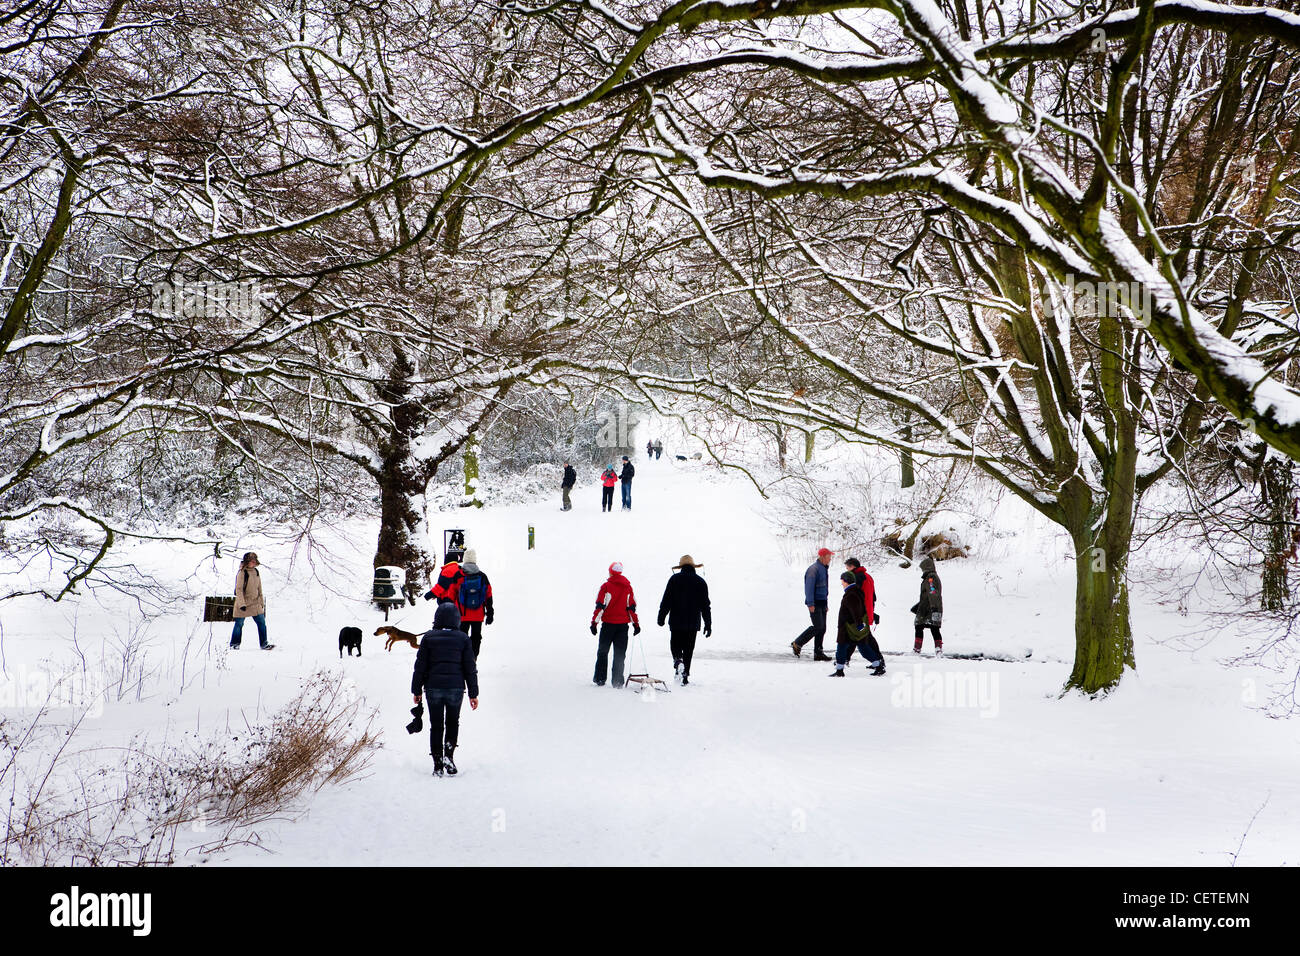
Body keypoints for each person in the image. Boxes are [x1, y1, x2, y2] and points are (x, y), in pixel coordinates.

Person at [411, 603, 479, 777]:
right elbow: (470, 668)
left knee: (436, 726)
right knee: (452, 723)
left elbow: (420, 666)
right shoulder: (463, 638)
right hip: (455, 689)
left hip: (433, 688)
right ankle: (449, 755)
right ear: (457, 619)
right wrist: (473, 693)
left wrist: (416, 689)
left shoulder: (428, 638)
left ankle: (438, 763)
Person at [657, 554, 711, 686]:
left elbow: (666, 600)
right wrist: (708, 624)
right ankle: (684, 676)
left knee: (675, 645)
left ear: (681, 567)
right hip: (693, 623)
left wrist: (661, 616)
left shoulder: (674, 579)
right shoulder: (701, 582)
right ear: (693, 567)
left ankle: (678, 661)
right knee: (689, 649)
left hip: (676, 621)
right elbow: (705, 606)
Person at [590, 561, 640, 687]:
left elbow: (600, 606)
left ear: (610, 572)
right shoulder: (628, 587)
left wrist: (594, 623)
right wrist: (636, 624)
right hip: (623, 627)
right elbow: (631, 608)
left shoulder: (606, 586)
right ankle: (617, 681)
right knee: (620, 654)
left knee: (603, 652)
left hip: (608, 625)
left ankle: (600, 679)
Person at [830, 571, 885, 677]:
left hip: (849, 627)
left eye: (842, 581)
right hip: (854, 627)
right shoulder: (856, 591)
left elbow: (855, 610)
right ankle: (878, 666)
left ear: (846, 581)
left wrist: (859, 624)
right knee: (863, 648)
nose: (841, 583)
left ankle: (839, 671)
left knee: (841, 648)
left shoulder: (851, 594)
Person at [791, 548, 834, 661]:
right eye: (829, 556)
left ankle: (818, 653)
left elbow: (824, 588)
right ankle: (797, 643)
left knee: (822, 628)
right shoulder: (813, 569)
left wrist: (826, 604)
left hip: (822, 603)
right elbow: (809, 588)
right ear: (823, 556)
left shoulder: (823, 569)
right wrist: (810, 603)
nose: (830, 558)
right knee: (818, 627)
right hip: (814, 603)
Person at [230, 552, 274, 650]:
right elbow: (239, 589)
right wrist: (242, 604)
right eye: (251, 561)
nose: (253, 563)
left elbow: (259, 588)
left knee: (262, 623)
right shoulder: (242, 573)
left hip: (255, 603)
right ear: (247, 561)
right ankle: (234, 644)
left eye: (255, 561)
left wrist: (261, 601)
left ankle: (264, 644)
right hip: (243, 604)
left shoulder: (256, 572)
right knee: (239, 624)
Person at [455, 549, 494, 658]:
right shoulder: (482, 576)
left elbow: (451, 594)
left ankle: (462, 659)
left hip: (462, 614)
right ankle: (473, 658)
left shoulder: (459, 575)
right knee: (476, 637)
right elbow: (488, 595)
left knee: (462, 637)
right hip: (478, 614)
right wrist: (490, 613)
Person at [911, 555, 943, 655]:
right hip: (927, 607)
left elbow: (933, 593)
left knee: (925, 627)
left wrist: (934, 608)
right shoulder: (930, 577)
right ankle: (938, 650)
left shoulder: (930, 578)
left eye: (923, 568)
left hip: (929, 609)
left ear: (926, 567)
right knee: (932, 628)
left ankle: (918, 650)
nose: (922, 570)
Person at [845, 557, 879, 625]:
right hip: (868, 610)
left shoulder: (856, 577)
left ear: (852, 567)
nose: (847, 571)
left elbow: (854, 597)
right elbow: (873, 596)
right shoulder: (868, 576)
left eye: (847, 568)